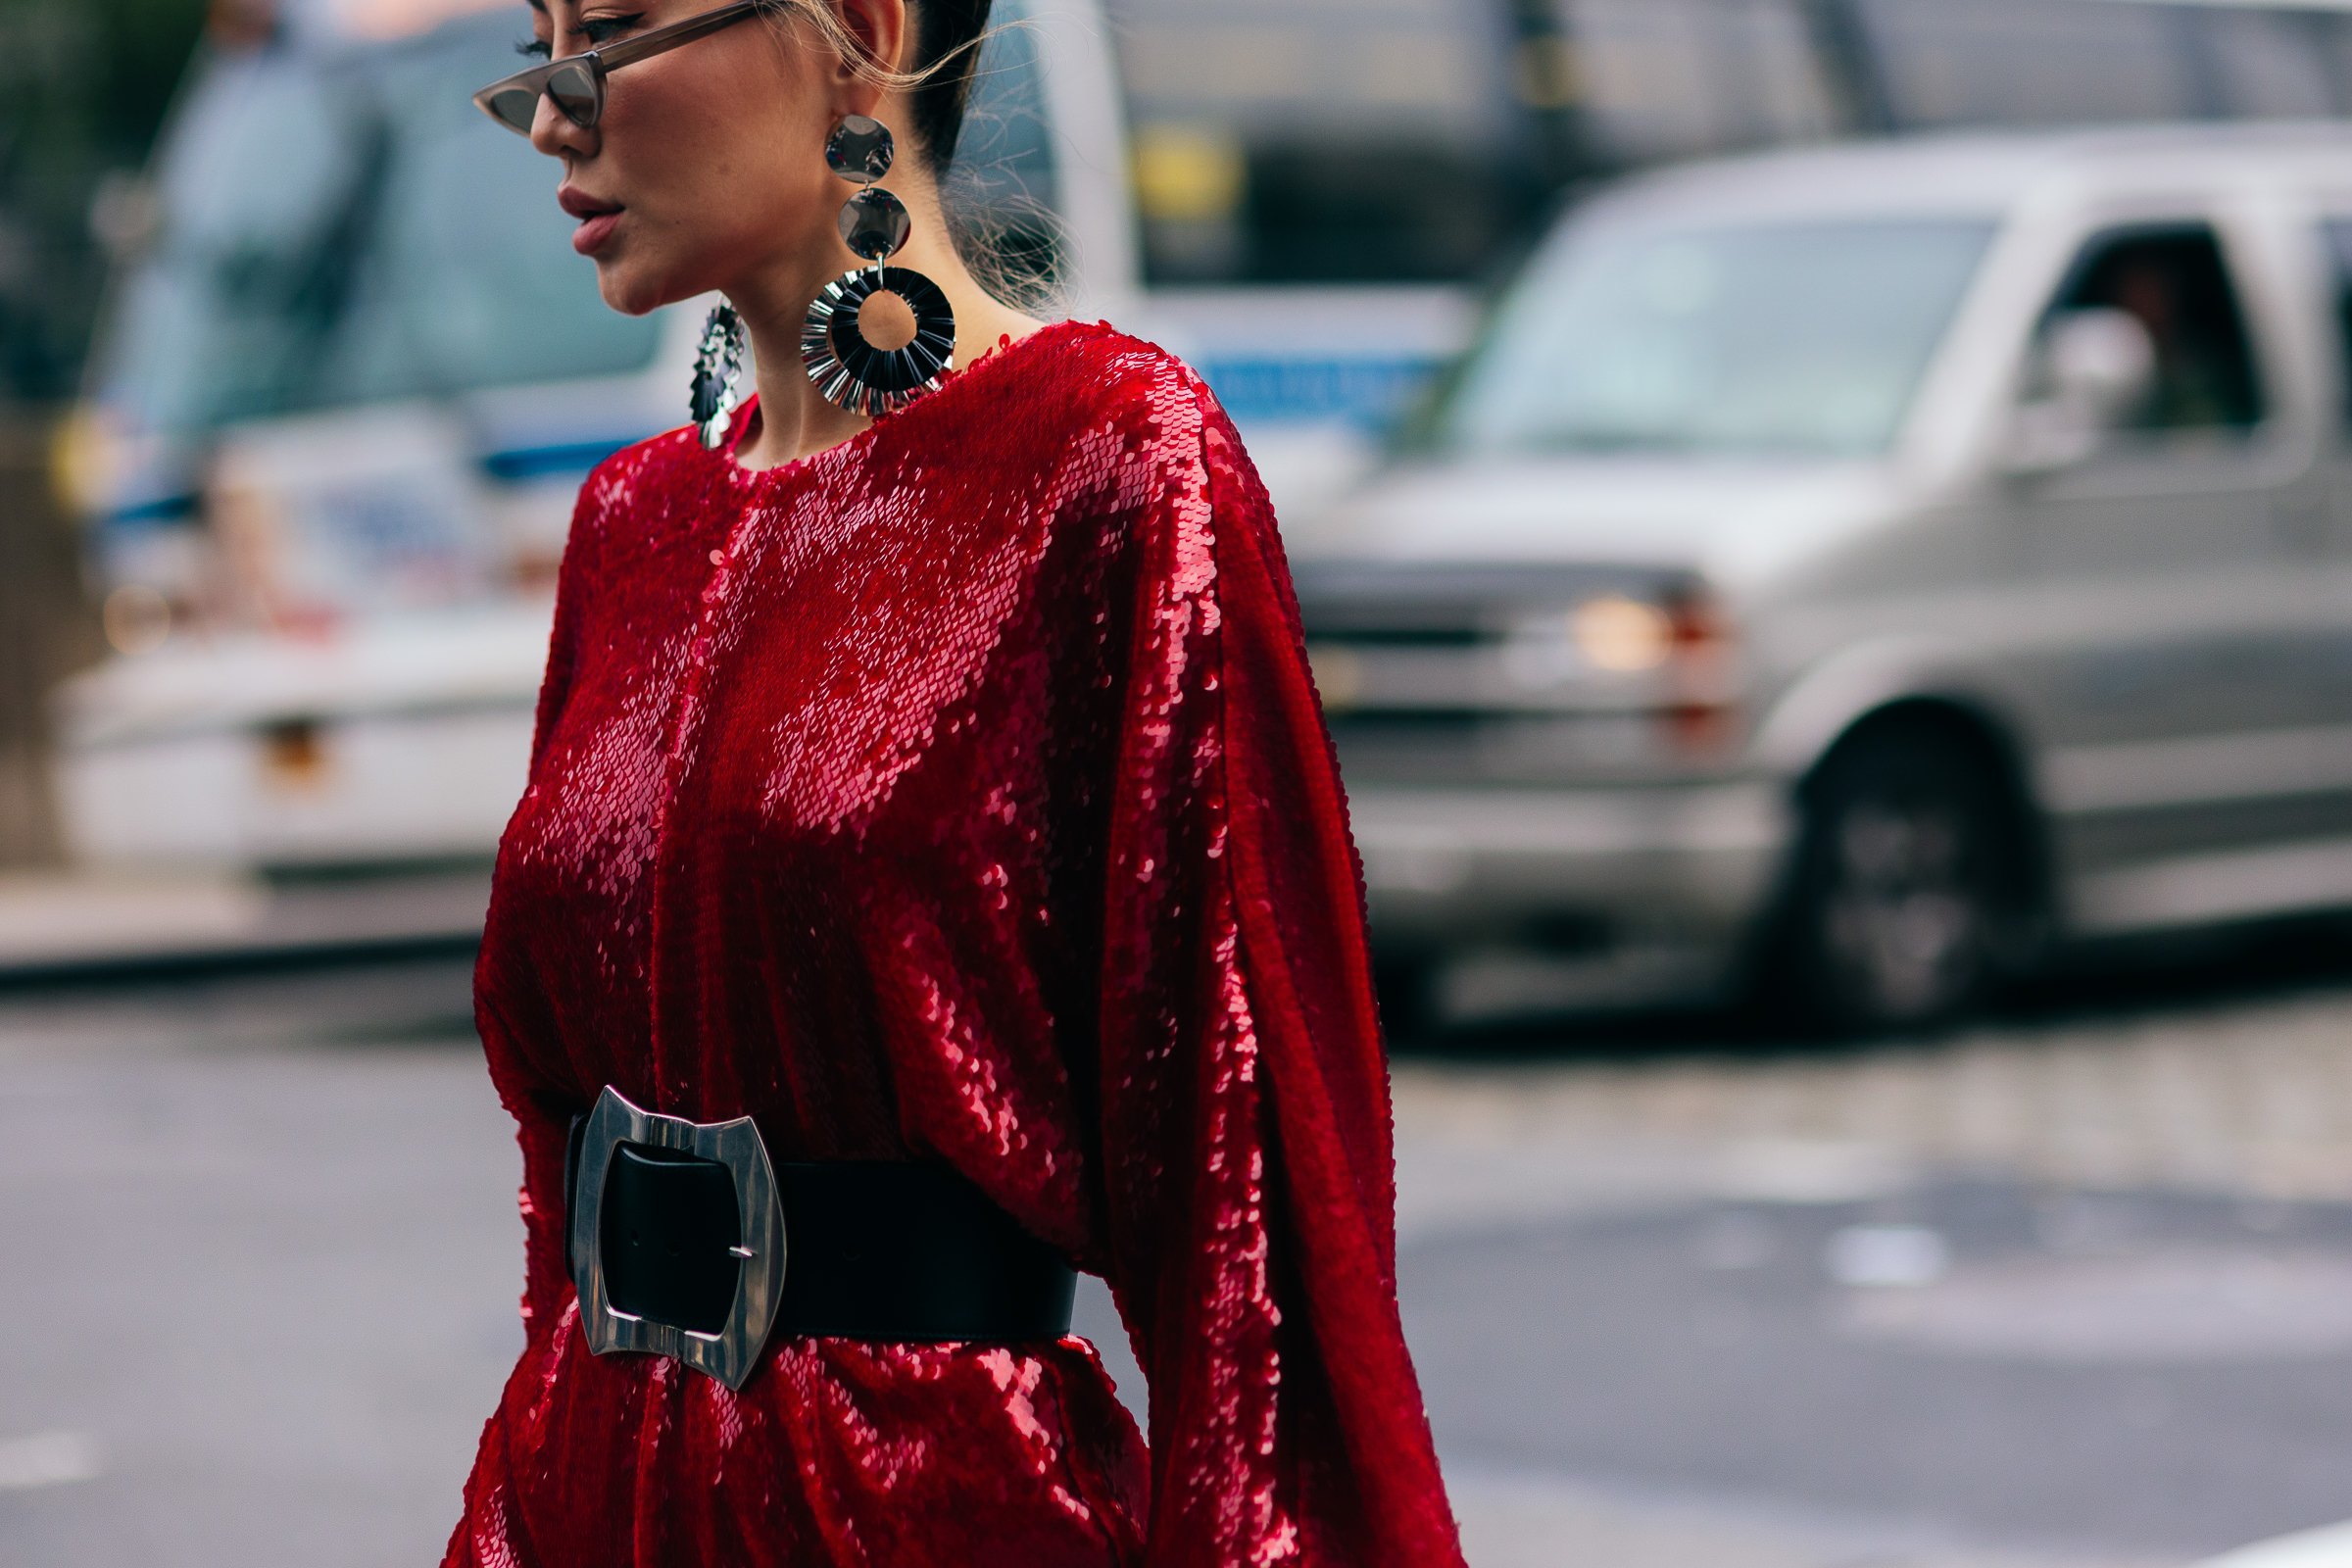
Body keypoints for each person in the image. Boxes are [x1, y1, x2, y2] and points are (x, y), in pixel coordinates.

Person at [445, 2, 1466, 1564]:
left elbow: (1247, 1213)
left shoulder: (1106, 464)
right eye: (541, 44)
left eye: (617, 33)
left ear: (860, 28)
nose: (552, 115)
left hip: (919, 1509)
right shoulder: (630, 527)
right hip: (591, 1490)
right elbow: (555, 1173)